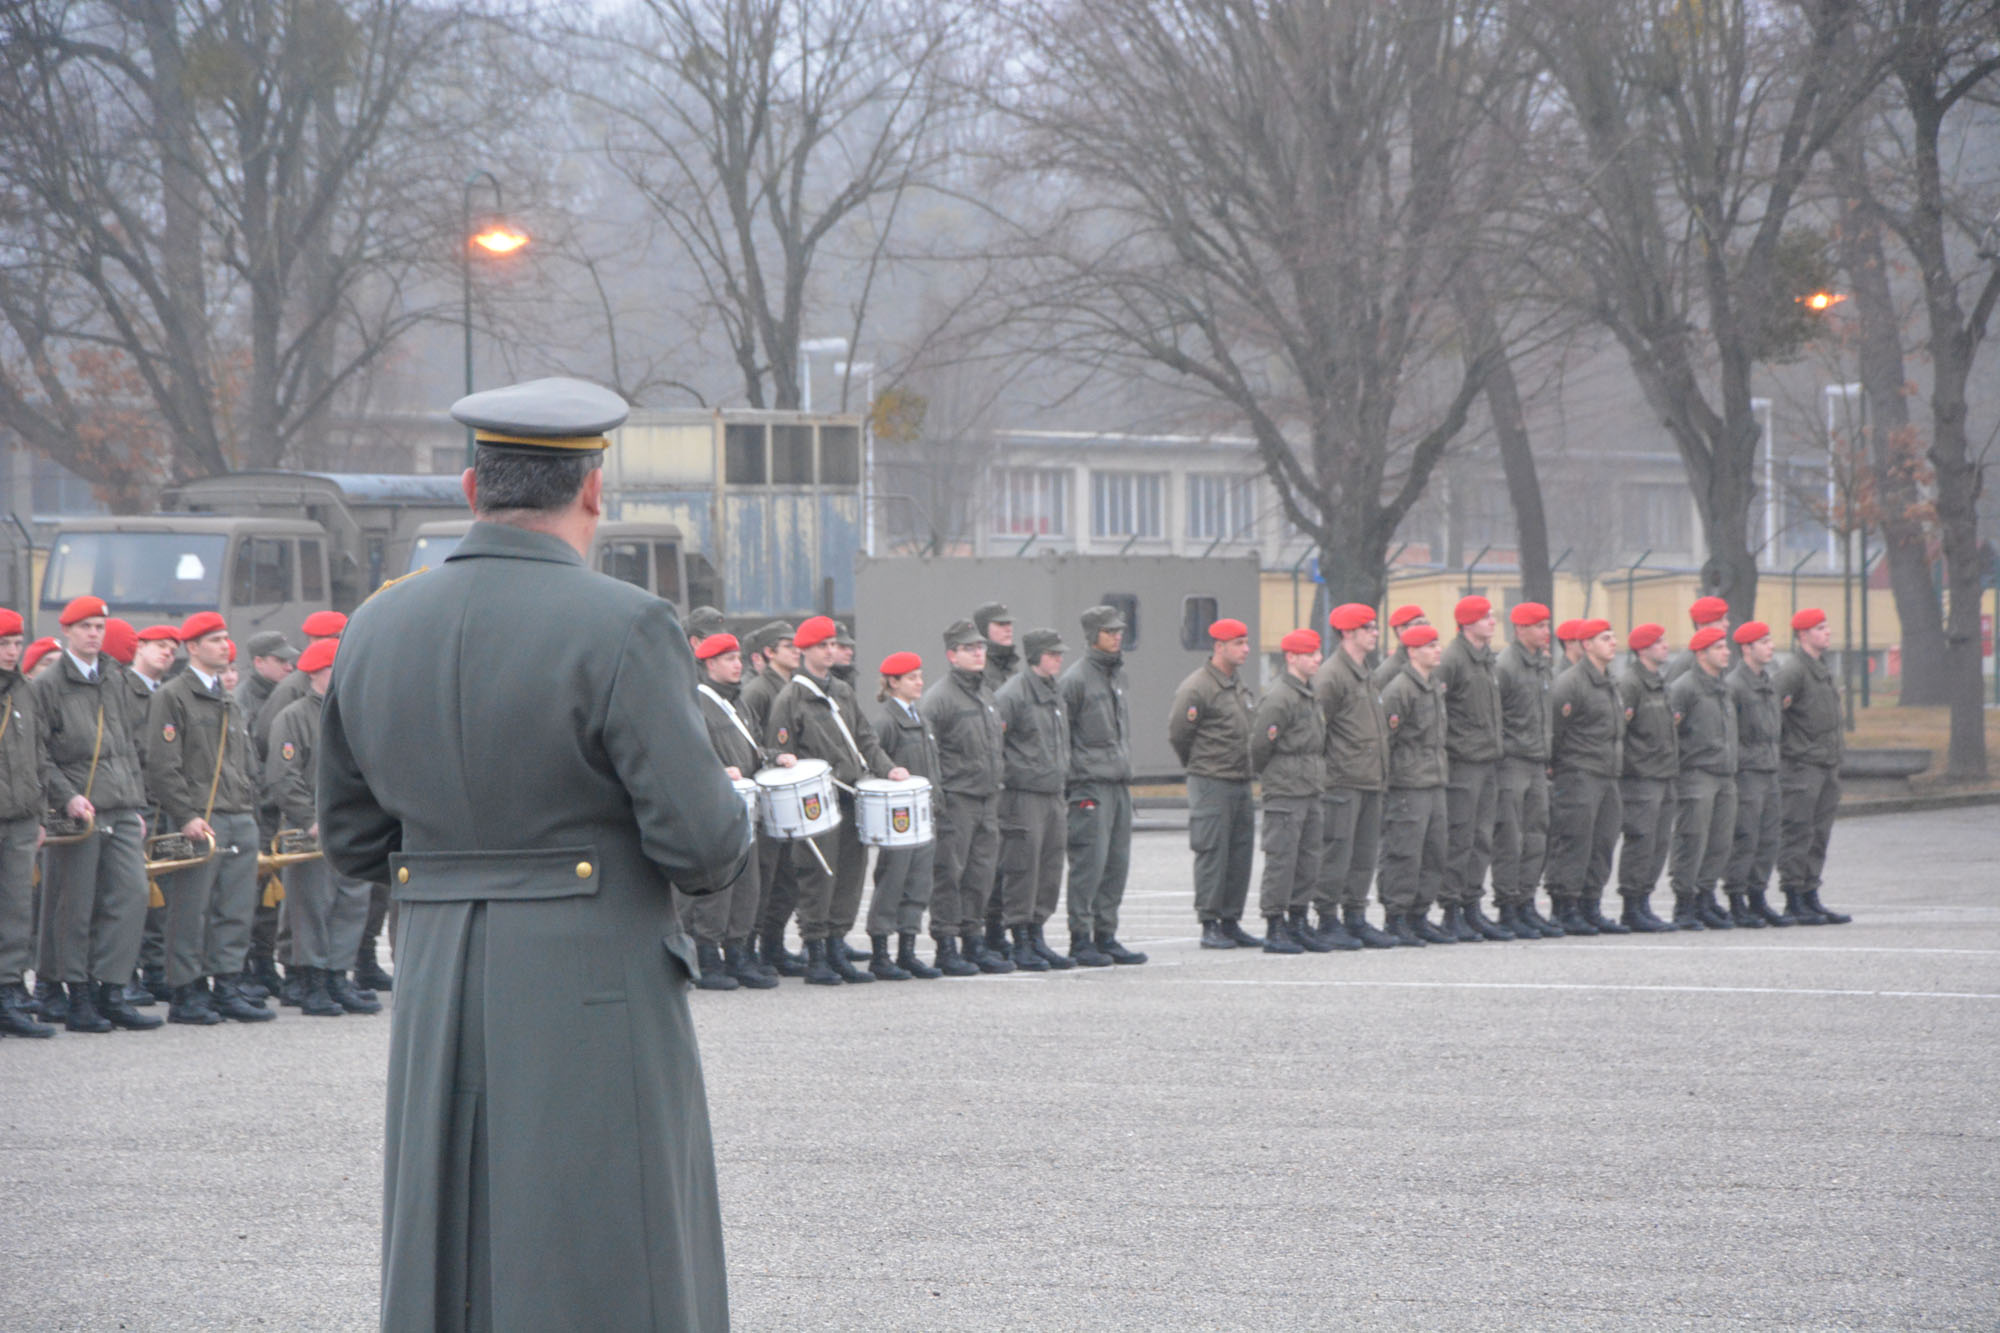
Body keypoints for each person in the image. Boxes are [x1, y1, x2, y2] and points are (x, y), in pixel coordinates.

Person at [319, 376, 751, 1331]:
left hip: (436, 978)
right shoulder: (627, 624)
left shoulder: (375, 627)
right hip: (591, 975)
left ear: (472, 490)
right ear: (594, 490)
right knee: (612, 1255)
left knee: (447, 1249)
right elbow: (702, 842)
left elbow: (351, 841)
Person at [35, 596, 162, 1033]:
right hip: (81, 810)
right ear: (66, 630)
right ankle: (78, 993)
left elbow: (130, 744)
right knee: (76, 904)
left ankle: (112, 988)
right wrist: (67, 796)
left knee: (130, 895)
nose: (94, 634)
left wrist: (137, 803)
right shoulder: (50, 683)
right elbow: (41, 753)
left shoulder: (114, 677)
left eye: (99, 627)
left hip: (122, 804)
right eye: (85, 626)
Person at [147, 612, 272, 1024]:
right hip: (201, 817)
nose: (224, 645)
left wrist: (250, 810)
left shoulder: (227, 699)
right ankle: (187, 990)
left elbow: (245, 762)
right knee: (191, 907)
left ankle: (228, 984)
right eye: (215, 639)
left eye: (225, 638)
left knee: (235, 908)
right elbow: (164, 765)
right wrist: (185, 815)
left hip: (238, 814)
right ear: (193, 647)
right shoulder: (174, 695)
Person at [768, 614, 905, 985]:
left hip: (851, 795)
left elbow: (865, 738)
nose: (830, 651)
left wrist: (888, 769)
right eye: (822, 646)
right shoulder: (791, 697)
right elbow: (778, 748)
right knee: (818, 875)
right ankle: (815, 953)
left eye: (832, 645)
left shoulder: (841, 692)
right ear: (804, 651)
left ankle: (836, 945)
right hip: (817, 802)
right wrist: (785, 759)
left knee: (849, 873)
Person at [265, 638, 381, 1017]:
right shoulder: (294, 716)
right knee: (312, 907)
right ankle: (311, 980)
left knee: (350, 904)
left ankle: (336, 976)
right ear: (318, 672)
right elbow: (283, 777)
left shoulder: (353, 713)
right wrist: (309, 819)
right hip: (311, 830)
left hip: (350, 826)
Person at [687, 632, 786, 990]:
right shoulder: (696, 702)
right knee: (719, 884)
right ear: (709, 663)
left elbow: (754, 748)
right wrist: (717, 769)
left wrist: (776, 757)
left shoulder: (739, 702)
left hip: (746, 805)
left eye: (738, 658)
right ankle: (708, 956)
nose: (737, 664)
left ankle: (738, 951)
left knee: (748, 883)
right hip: (715, 807)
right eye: (729, 659)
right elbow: (688, 751)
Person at [922, 619, 1011, 974]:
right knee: (949, 873)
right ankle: (946, 943)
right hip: (957, 799)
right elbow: (930, 753)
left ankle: (973, 939)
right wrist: (938, 799)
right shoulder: (940, 698)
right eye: (969, 648)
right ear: (951, 654)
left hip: (988, 797)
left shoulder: (985, 692)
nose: (979, 653)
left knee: (981, 874)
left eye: (981, 647)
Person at [1060, 605, 1144, 966]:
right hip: (1090, 785)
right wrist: (1074, 778)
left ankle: (1106, 933)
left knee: (1116, 863)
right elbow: (1062, 738)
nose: (1117, 636)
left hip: (1118, 783)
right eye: (1109, 632)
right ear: (1093, 635)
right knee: (1089, 864)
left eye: (1119, 631)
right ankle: (1081, 938)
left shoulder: (1117, 675)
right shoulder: (1076, 680)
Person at [1171, 617, 1261, 949]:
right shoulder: (1198, 687)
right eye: (1238, 643)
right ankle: (1210, 923)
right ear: (1218, 647)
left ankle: (1231, 920)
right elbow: (1180, 733)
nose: (1246, 649)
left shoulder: (1238, 686)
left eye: (1247, 642)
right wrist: (1199, 766)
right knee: (1212, 852)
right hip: (1211, 781)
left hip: (1239, 780)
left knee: (1239, 853)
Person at [1311, 603, 1395, 948]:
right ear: (1348, 633)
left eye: (1375, 627)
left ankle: (1355, 915)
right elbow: (1317, 729)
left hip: (1369, 777)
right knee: (1337, 852)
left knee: (1363, 854)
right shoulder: (1332, 675)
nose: (1375, 632)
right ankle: (1328, 918)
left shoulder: (1365, 672)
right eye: (1368, 627)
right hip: (1342, 779)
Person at [993, 627, 1075, 972]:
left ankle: (1037, 932)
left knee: (1050, 867)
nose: (1058, 658)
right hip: (1023, 793)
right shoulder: (1013, 693)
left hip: (1052, 792)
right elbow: (995, 740)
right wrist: (1011, 775)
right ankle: (1020, 938)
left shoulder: (1053, 691)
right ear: (1036, 655)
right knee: (1023, 867)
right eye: (1053, 653)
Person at [1252, 629, 1337, 954]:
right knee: (1282, 859)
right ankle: (1275, 925)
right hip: (1286, 789)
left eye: (1317, 652)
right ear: (1291, 657)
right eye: (1310, 653)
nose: (1317, 658)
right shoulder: (1280, 697)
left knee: (1308, 858)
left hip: (1310, 787)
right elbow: (1260, 745)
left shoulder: (1308, 693)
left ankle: (1298, 920)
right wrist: (1278, 777)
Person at [869, 651, 951, 978]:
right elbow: (875, 764)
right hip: (898, 820)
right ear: (893, 682)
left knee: (919, 884)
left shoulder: (920, 717)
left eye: (920, 676)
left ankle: (907, 950)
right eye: (912, 677)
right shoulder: (886, 721)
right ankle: (880, 953)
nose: (920, 682)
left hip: (923, 814)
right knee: (892, 883)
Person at [1435, 594, 1509, 941]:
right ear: (1467, 623)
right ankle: (1451, 908)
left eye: (1492, 616)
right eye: (1485, 617)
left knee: (1481, 838)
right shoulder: (1453, 659)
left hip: (1487, 761)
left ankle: (1471, 904)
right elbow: (1438, 708)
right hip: (1463, 763)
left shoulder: (1485, 659)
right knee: (1460, 837)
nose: (1493, 622)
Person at [1546, 619, 1626, 935]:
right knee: (1574, 840)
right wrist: (1562, 766)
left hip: (1607, 774)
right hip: (1579, 773)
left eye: (1613, 636)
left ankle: (1590, 904)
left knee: (1603, 841)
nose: (1613, 642)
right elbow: (1555, 730)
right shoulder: (1571, 682)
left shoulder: (1610, 682)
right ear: (1587, 644)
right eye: (1605, 638)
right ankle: (1564, 906)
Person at [1775, 608, 1851, 924]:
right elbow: (1772, 711)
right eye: (1820, 628)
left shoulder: (1819, 668)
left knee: (1819, 833)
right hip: (1801, 766)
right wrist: (1791, 749)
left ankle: (1810, 893)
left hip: (1825, 764)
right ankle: (1793, 896)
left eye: (1826, 626)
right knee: (1798, 831)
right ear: (1803, 634)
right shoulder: (1794, 670)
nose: (1827, 632)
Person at [1377, 624, 1451, 945]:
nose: (1438, 650)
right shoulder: (1400, 689)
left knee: (1433, 851)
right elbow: (1385, 740)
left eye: (1437, 644)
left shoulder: (1432, 685)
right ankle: (1397, 917)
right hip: (1408, 783)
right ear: (1413, 651)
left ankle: (1419, 914)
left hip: (1433, 780)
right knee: (1404, 852)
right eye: (1430, 645)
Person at [0, 609, 55, 1038]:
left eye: (17, 644)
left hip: (20, 816)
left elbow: (38, 755)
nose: (12, 652)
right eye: (4, 644)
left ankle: (10, 989)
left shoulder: (25, 691)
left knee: (17, 909)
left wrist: (39, 814)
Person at [739, 620, 804, 975]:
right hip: (766, 796)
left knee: (787, 877)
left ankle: (774, 945)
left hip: (788, 796)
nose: (796, 650)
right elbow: (753, 743)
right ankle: (750, 948)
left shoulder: (791, 686)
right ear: (768, 653)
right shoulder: (759, 691)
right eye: (786, 645)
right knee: (764, 877)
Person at [1493, 602, 1560, 939]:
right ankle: (1507, 906)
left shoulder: (1541, 665)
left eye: (1547, 625)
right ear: (1520, 629)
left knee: (1537, 835)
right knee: (1511, 837)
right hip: (1512, 762)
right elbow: (1496, 716)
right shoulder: (1506, 665)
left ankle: (1526, 902)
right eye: (1538, 626)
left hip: (1536, 762)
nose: (1546, 632)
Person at [1667, 625, 1740, 931]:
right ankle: (1685, 902)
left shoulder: (1722, 686)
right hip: (1697, 774)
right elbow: (1670, 733)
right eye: (1719, 647)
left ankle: (1705, 897)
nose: (1726, 652)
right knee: (1691, 839)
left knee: (1719, 841)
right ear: (1701, 653)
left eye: (1726, 646)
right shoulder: (1685, 688)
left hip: (1724, 774)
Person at [239, 629, 297, 998]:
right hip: (257, 803)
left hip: (275, 805)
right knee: (253, 890)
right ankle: (247, 965)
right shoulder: (244, 699)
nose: (288, 666)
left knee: (271, 893)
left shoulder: (280, 692)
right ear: (258, 662)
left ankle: (263, 960)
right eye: (279, 660)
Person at [1724, 621, 1791, 927]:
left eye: (1769, 640)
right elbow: (1730, 732)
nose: (1770, 646)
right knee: (1746, 836)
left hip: (1770, 769)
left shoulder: (1768, 683)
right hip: (1747, 771)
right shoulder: (1735, 685)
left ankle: (1758, 895)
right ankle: (1737, 898)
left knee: (1768, 837)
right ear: (1746, 648)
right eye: (1763, 642)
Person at [125, 624, 178, 1003]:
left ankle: (156, 967)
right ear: (139, 647)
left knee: (162, 894)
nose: (167, 654)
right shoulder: (126, 691)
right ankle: (127, 971)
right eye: (160, 646)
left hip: (167, 802)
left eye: (173, 649)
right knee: (131, 894)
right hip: (138, 799)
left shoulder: (168, 693)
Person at [1612, 624, 1678, 933]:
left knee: (1658, 842)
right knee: (1640, 839)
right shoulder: (1631, 684)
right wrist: (1631, 767)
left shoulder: (1658, 682)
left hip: (1663, 774)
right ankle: (1631, 905)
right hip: (1640, 777)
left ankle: (1644, 901)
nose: (1665, 646)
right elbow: (1620, 731)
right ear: (1642, 649)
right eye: (1658, 642)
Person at [1663, 596, 1730, 684]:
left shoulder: (1719, 656)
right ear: (1702, 625)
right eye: (1720, 620)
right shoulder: (1687, 662)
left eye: (1726, 619)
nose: (1727, 624)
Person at [1370, 604, 1429, 690]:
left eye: (1426, 623)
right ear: (1401, 630)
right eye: (1419, 624)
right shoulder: (1388, 671)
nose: (1426, 628)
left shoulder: (1428, 663)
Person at [976, 602, 1018, 694]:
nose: (1008, 629)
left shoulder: (1011, 666)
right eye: (1001, 624)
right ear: (984, 629)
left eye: (1009, 623)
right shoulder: (977, 668)